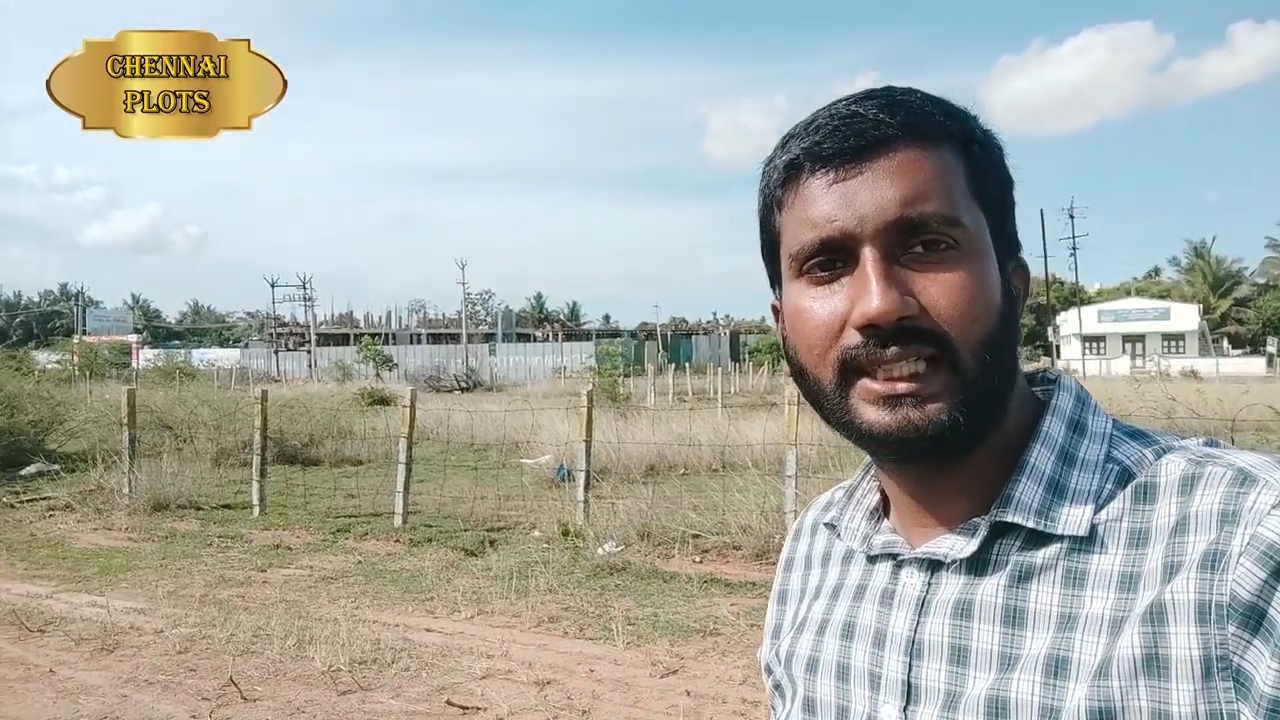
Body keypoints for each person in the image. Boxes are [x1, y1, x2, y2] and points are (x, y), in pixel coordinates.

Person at [757, 85, 1280, 719]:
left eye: (927, 246)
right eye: (826, 265)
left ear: (1014, 285)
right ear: (783, 326)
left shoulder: (1245, 546)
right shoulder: (818, 547)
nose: (879, 305)